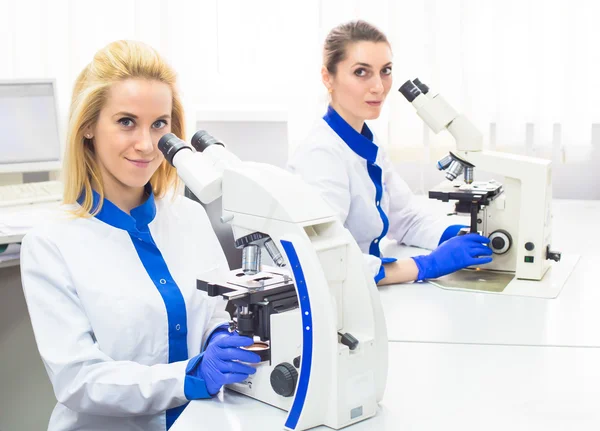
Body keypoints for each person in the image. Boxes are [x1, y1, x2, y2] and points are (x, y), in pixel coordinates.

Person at [19, 40, 260, 431]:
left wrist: (220, 338)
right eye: (126, 122)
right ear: (87, 128)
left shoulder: (188, 216)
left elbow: (218, 310)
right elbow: (78, 380)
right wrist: (189, 377)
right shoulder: (50, 242)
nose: (147, 145)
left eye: (159, 125)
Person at [288, 20, 493, 285]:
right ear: (328, 77)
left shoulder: (366, 144)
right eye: (361, 72)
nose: (379, 87)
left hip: (367, 288)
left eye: (385, 71)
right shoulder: (321, 155)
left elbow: (405, 218)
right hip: (340, 297)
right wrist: (427, 265)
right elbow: (327, 260)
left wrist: (460, 235)